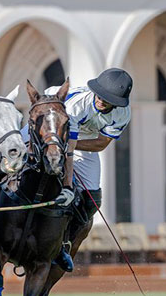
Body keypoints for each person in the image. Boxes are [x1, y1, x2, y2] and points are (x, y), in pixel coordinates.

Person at [47, 68, 133, 272]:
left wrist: (73, 146)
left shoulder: (122, 113)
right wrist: (67, 184)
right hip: (50, 129)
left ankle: (66, 245)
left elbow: (101, 144)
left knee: (93, 196)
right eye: (101, 95)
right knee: (15, 159)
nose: (102, 100)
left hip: (82, 143)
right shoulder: (77, 103)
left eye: (109, 99)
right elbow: (66, 152)